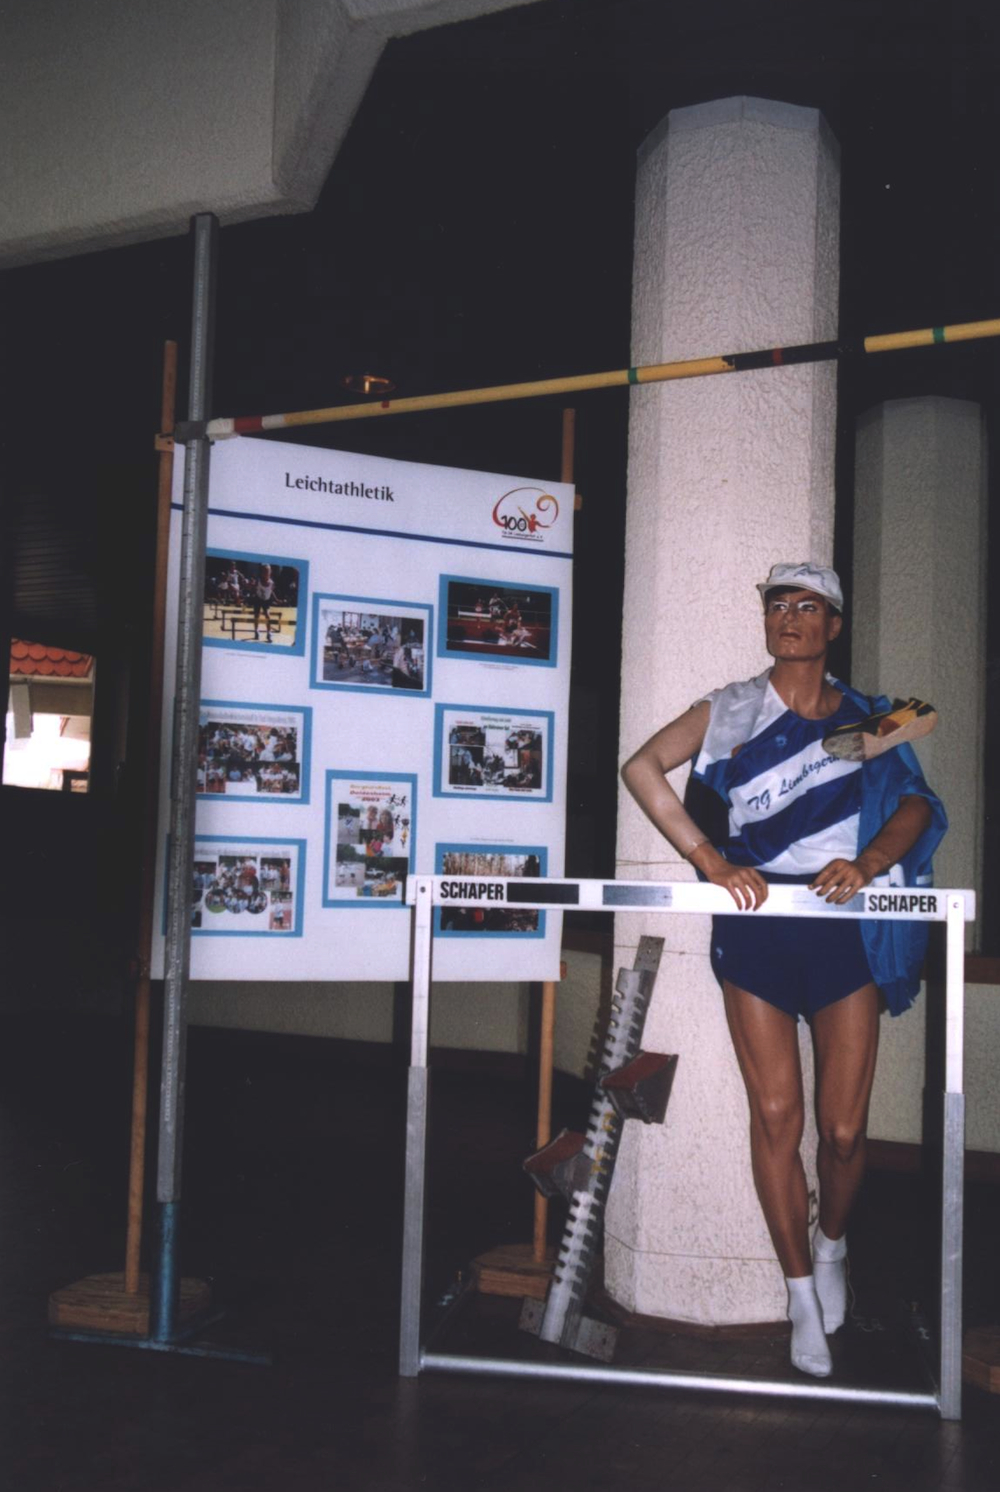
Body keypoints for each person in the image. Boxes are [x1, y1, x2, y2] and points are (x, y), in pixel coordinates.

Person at [620, 562, 946, 1379]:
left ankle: (830, 1246)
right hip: (757, 927)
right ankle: (799, 1292)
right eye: (778, 605)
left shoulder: (870, 717)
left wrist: (868, 863)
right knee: (776, 1118)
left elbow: (916, 805)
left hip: (841, 930)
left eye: (808, 606)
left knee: (843, 1131)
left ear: (833, 624)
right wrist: (706, 858)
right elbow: (641, 768)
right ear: (765, 619)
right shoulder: (729, 708)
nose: (790, 617)